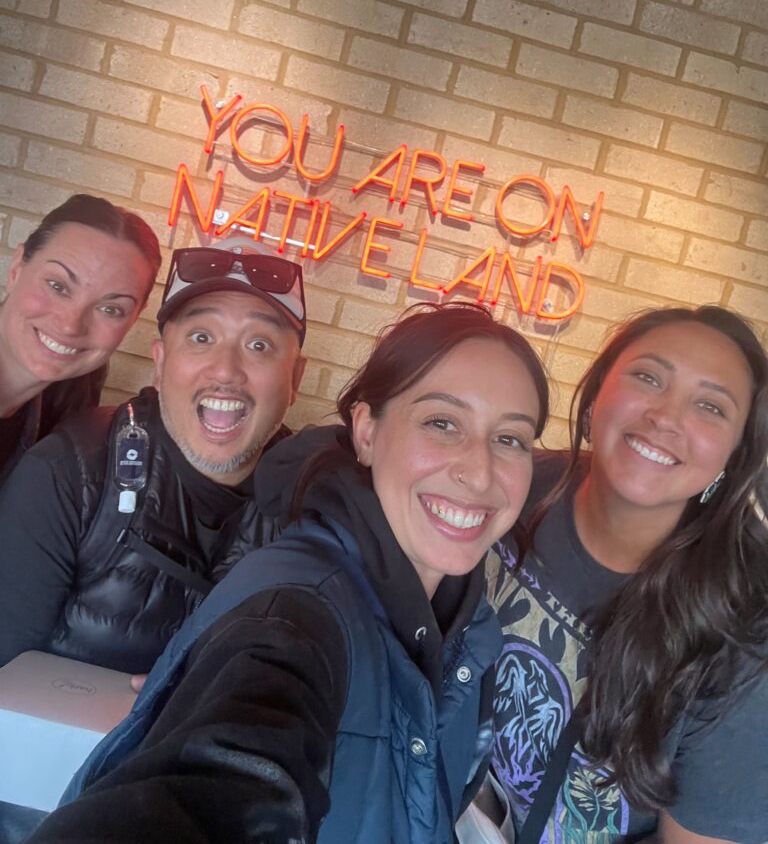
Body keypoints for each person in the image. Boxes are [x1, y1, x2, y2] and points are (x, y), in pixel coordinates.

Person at [27, 303, 550, 844]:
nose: (480, 470)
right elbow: (221, 782)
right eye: (443, 423)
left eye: (509, 438)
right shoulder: (296, 616)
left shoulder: (469, 628)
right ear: (367, 431)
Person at [485, 306, 768, 844]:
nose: (666, 415)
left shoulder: (745, 635)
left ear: (733, 457)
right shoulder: (513, 490)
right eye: (647, 377)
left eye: (710, 407)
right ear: (595, 398)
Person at [0, 237, 307, 676]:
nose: (225, 371)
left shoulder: (314, 511)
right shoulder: (69, 473)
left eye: (259, 346)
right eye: (202, 337)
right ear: (160, 363)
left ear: (295, 378)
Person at [0, 193, 161, 482]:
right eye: (57, 285)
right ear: (16, 270)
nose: (70, 326)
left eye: (111, 309)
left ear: (135, 317)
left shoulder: (73, 401)